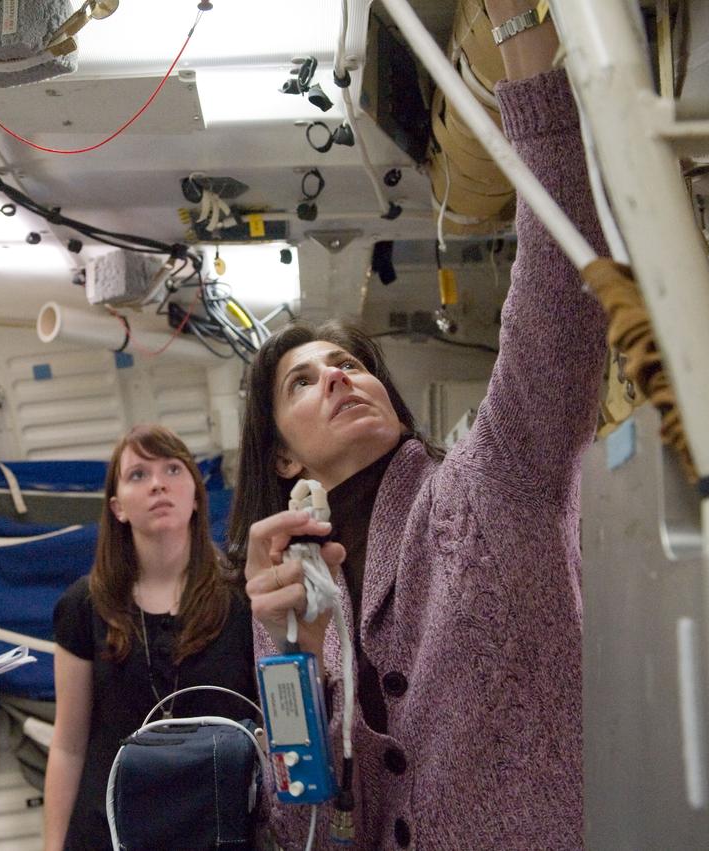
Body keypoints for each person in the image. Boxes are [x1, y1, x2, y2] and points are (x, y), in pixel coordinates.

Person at [229, 6, 605, 850]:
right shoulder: (291, 592)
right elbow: (300, 828)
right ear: (283, 451)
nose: (338, 375)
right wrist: (295, 652)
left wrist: (522, 43)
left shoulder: (495, 475)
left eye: (352, 364)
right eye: (303, 379)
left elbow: (561, 292)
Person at [43, 424, 259, 851]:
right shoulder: (84, 604)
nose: (158, 484)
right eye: (138, 475)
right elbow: (68, 745)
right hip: (111, 830)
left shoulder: (244, 595)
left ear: (197, 495)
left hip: (219, 829)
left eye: (173, 470)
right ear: (118, 507)